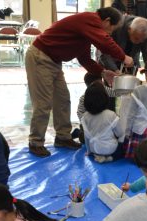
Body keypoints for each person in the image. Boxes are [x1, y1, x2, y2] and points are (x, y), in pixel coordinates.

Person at [25, 7, 133, 158]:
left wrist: (103, 72)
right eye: (112, 29)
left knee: (63, 99)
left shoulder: (85, 31)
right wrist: (124, 57)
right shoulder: (90, 19)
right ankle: (36, 142)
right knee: (43, 103)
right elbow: (105, 42)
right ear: (107, 21)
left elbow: (85, 59)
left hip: (54, 61)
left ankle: (63, 137)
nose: (110, 34)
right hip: (40, 57)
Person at [118, 58, 147, 158]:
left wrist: (127, 133)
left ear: (146, 73)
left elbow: (131, 115)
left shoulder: (138, 90)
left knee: (139, 156)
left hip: (140, 131)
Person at [81, 81, 124, 163]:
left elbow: (86, 137)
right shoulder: (111, 114)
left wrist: (88, 151)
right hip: (110, 149)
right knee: (124, 143)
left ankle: (99, 156)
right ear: (104, 98)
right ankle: (110, 158)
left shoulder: (85, 116)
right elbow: (120, 133)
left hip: (94, 149)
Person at [76, 72, 116, 142]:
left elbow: (115, 93)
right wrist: (85, 125)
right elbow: (80, 113)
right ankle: (80, 132)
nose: (103, 84)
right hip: (90, 124)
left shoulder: (105, 89)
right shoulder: (84, 97)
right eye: (101, 82)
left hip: (100, 122)